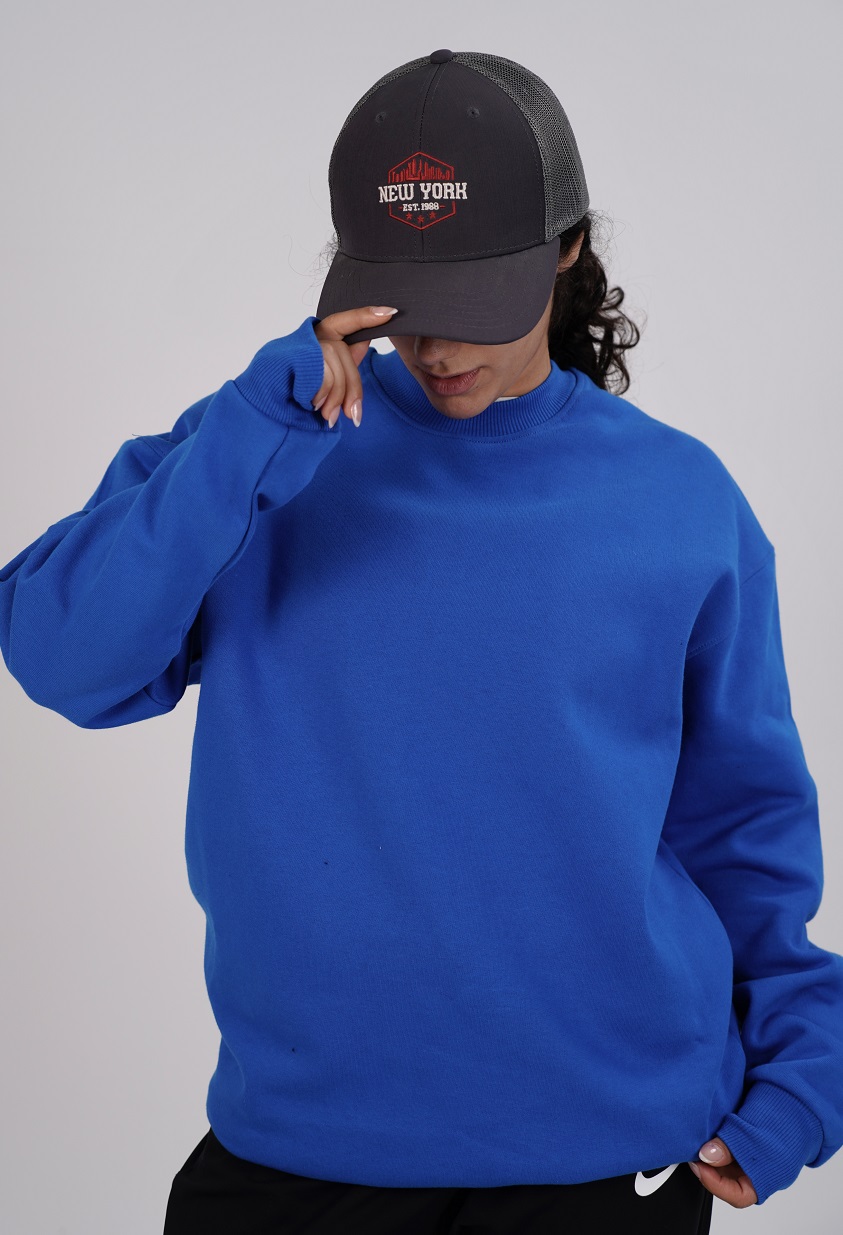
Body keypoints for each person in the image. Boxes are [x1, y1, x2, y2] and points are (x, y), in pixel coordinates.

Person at [2, 47, 843, 1235]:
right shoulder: (259, 448)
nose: (439, 347)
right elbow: (60, 656)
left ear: (566, 249)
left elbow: (741, 828)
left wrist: (806, 1072)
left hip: (600, 1163)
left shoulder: (680, 500)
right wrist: (246, 438)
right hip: (299, 1153)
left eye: (476, 300)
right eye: (406, 303)